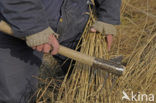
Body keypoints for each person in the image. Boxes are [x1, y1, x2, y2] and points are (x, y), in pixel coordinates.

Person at [0, 0, 121, 102]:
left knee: (97, 84)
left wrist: (108, 16)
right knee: (15, 96)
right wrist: (33, 26)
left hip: (76, 14)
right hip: (17, 20)